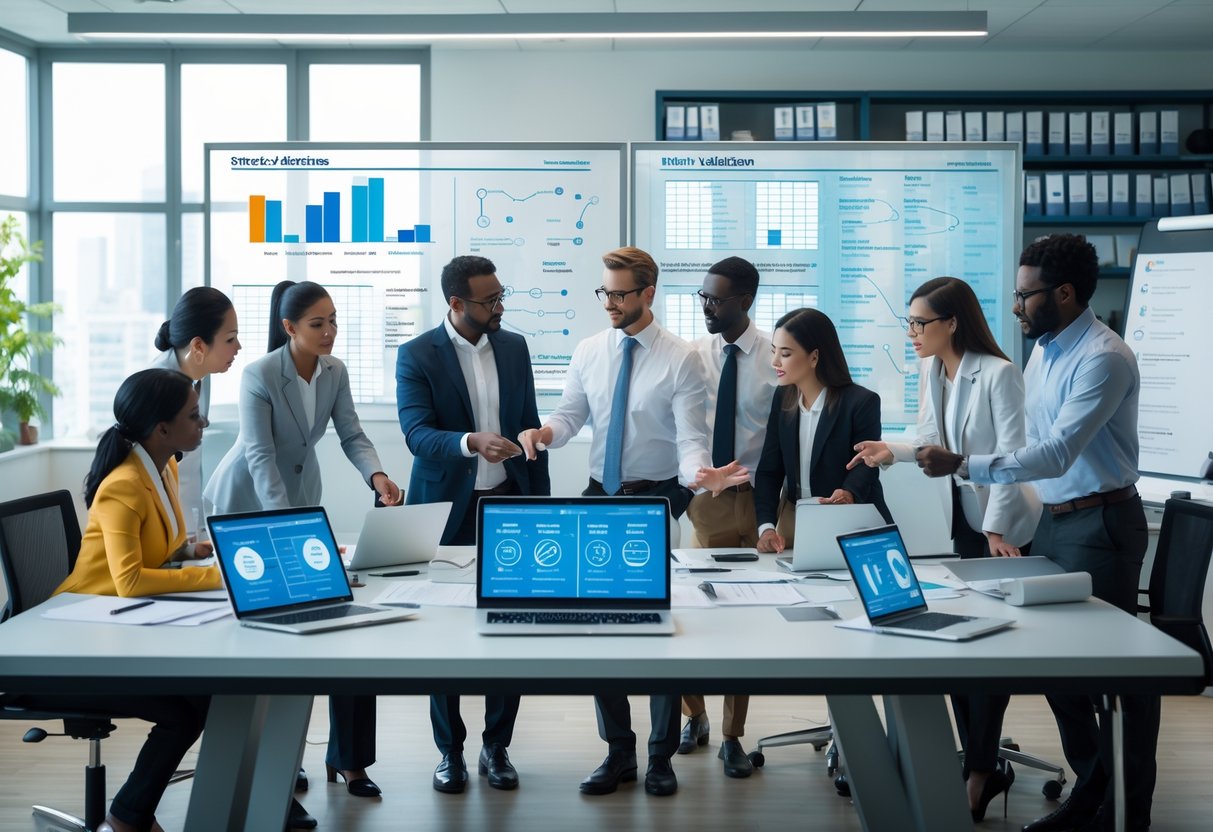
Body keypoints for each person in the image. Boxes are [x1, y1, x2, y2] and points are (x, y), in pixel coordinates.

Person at [914, 234, 1156, 832]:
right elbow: (1025, 444)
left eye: (1026, 295)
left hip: (1101, 522)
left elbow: (1054, 453)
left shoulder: (1103, 357)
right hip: (1055, 518)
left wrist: (964, 464)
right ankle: (1092, 793)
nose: (1016, 306)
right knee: (1057, 671)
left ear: (1064, 293)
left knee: (1114, 675)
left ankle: (1124, 809)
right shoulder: (1045, 352)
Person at [517, 246, 744, 798]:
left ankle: (660, 756)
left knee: (658, 630)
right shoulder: (589, 350)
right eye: (605, 292)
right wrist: (545, 433)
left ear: (648, 294)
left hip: (653, 500)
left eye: (620, 294)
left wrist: (701, 475)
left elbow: (690, 438)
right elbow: (571, 415)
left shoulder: (682, 358)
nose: (609, 303)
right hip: (599, 497)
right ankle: (619, 750)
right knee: (598, 631)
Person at [205, 280, 403, 826]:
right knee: (267, 637)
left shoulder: (334, 371)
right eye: (318, 323)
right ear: (289, 327)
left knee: (339, 622)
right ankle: (277, 761)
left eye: (333, 320)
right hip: (250, 503)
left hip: (301, 496)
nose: (330, 331)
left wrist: (377, 477)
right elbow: (260, 456)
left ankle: (350, 759)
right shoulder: (259, 374)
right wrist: (286, 529)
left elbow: (352, 435)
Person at [848, 276, 1041, 820]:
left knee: (990, 650)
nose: (912, 332)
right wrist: (892, 450)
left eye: (920, 323)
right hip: (964, 519)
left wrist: (998, 531)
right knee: (959, 640)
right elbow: (931, 440)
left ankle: (980, 769)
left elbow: (1014, 457)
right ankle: (976, 759)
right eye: (908, 322)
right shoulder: (934, 370)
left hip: (1004, 524)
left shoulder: (999, 373)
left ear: (952, 323)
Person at [396, 255, 550, 794]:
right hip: (448, 512)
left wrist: (539, 502)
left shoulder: (514, 347)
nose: (499, 307)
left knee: (510, 631)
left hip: (509, 505)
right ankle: (450, 751)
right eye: (490, 300)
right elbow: (416, 434)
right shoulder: (418, 354)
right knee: (444, 637)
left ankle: (496, 746)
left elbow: (529, 422)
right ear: (457, 303)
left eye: (501, 295)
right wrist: (469, 442)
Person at [44, 368, 216, 832]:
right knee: (187, 710)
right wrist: (209, 578)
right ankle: (127, 818)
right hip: (73, 643)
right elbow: (131, 580)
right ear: (162, 429)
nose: (202, 422)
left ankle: (129, 815)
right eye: (193, 415)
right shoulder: (123, 484)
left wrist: (189, 552)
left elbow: (156, 547)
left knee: (202, 699)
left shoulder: (164, 468)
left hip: (115, 626)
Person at [678, 256, 778, 778]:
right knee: (692, 611)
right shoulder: (693, 356)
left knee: (743, 621)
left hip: (760, 501)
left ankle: (732, 736)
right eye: (703, 297)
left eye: (715, 299)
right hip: (708, 500)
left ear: (745, 300)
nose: (706, 307)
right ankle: (692, 714)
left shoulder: (775, 357)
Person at [754, 307, 891, 556]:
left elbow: (866, 462)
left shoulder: (860, 402)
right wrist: (766, 528)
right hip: (797, 518)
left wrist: (849, 492)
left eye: (785, 353)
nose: (775, 362)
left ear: (814, 357)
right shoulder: (782, 398)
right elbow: (769, 470)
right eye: (774, 351)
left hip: (850, 518)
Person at [150, 286, 241, 539]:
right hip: (155, 531)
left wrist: (195, 533)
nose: (238, 347)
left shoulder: (196, 377)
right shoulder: (157, 387)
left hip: (184, 524)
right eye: (230, 339)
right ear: (199, 345)